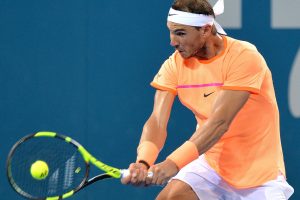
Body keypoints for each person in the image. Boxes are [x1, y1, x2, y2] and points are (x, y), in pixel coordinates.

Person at [121, 0, 294, 199]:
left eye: (180, 33)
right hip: (211, 169)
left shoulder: (244, 57)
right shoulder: (174, 65)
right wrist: (143, 162)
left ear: (205, 30)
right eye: (170, 32)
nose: (172, 41)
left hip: (261, 177)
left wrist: (173, 163)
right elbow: (157, 121)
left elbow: (219, 123)